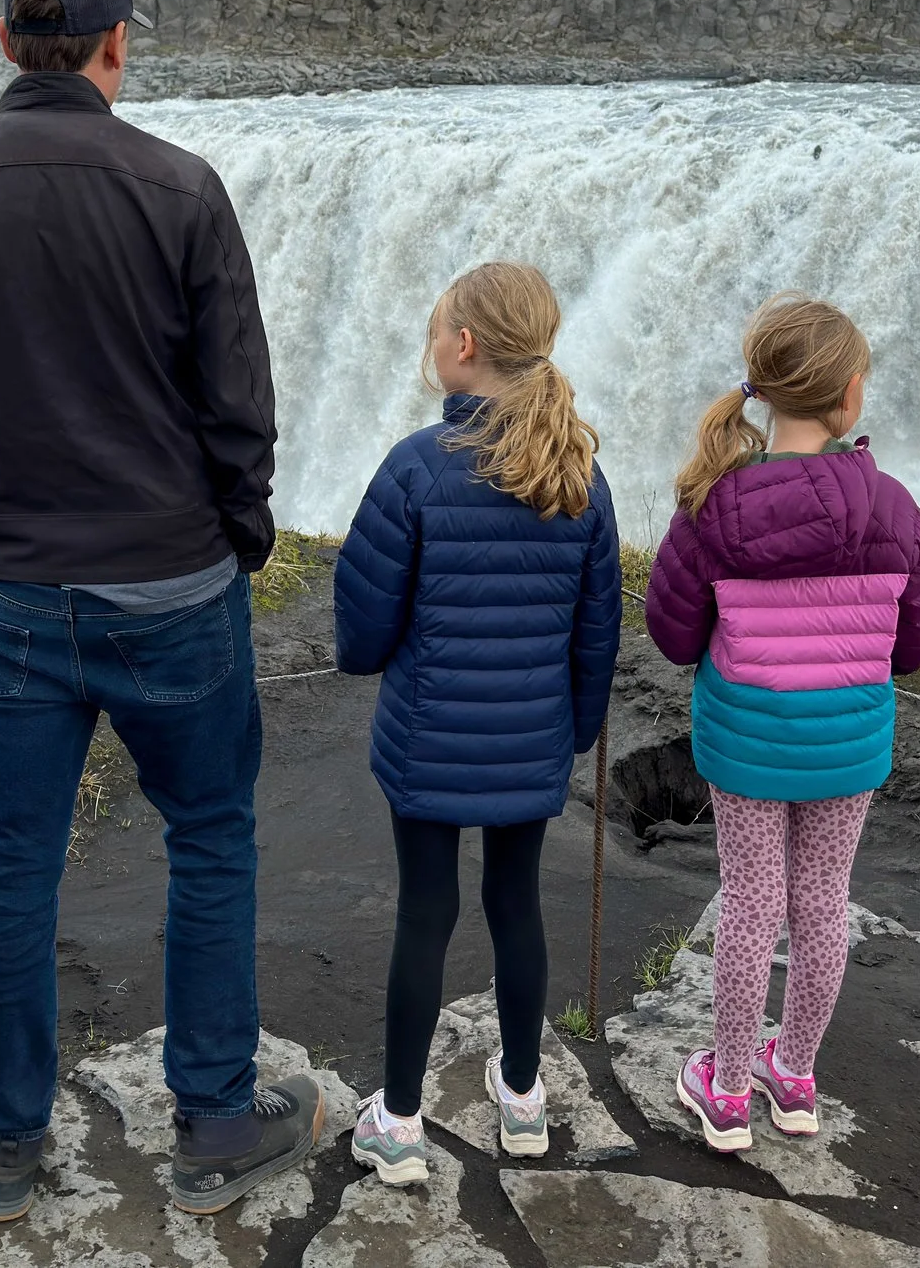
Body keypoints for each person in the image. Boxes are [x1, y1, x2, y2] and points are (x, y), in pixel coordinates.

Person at [0, 0, 321, 1221]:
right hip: (172, 586)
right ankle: (215, 1121)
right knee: (210, 838)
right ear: (118, 47)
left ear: (6, 44)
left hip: (16, 598)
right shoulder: (182, 189)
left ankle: (7, 1148)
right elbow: (239, 408)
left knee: (12, 865)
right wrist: (234, 535)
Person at [331, 261, 621, 1184]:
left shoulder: (417, 467)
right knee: (516, 904)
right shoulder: (580, 472)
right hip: (531, 741)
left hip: (427, 742)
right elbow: (598, 632)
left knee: (427, 912)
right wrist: (569, 733)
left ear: (464, 346)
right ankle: (525, 1099)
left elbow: (364, 629)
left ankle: (401, 1120)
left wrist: (378, 653)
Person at [641, 293, 920, 1153]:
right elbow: (918, 638)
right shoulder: (894, 509)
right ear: (851, 397)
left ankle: (727, 1089)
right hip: (848, 744)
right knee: (822, 903)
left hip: (745, 743)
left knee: (749, 903)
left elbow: (671, 635)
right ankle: (797, 1077)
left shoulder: (716, 506)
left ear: (764, 394)